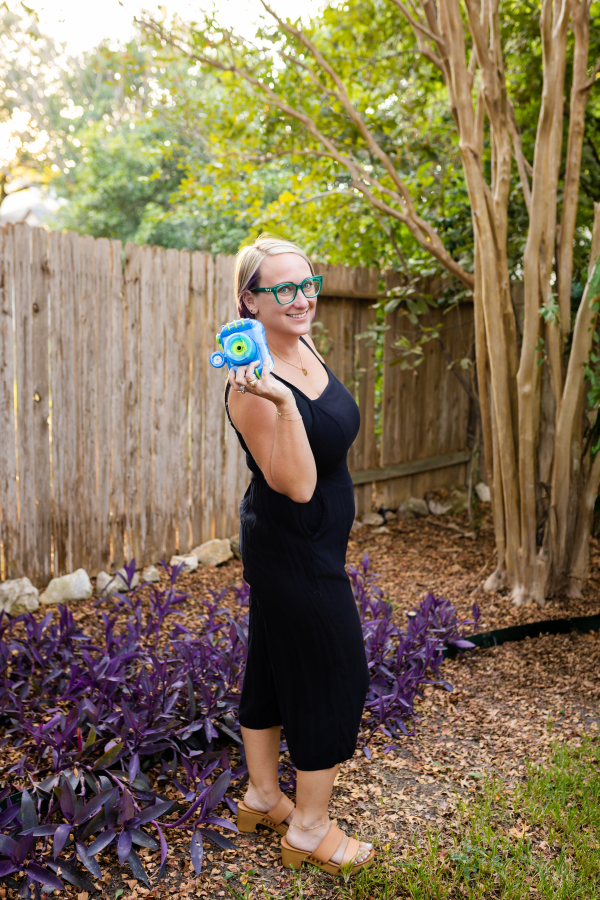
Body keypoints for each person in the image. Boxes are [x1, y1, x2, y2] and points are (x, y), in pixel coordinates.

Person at [225, 235, 374, 876]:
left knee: (270, 665)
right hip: (296, 550)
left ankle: (263, 797)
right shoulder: (251, 387)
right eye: (283, 288)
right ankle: (310, 830)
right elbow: (300, 484)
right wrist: (283, 401)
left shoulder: (301, 342)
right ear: (249, 301)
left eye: (307, 283)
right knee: (337, 674)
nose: (301, 297)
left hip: (307, 544)